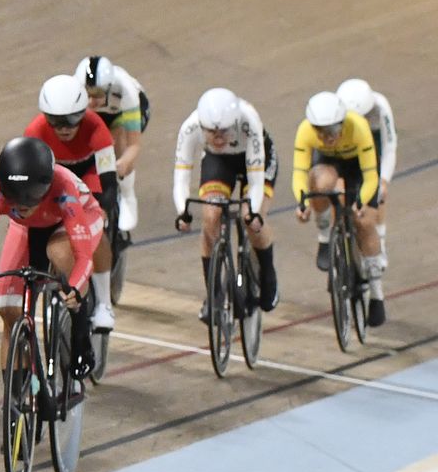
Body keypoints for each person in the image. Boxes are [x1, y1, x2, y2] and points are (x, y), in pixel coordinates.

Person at [0, 136, 102, 377]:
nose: (20, 205)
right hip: (28, 227)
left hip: (78, 217)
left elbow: (83, 257)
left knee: (58, 252)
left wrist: (77, 288)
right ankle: (18, 399)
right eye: (14, 201)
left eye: (28, 201)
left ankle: (81, 332)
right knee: (8, 308)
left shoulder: (63, 189)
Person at [172, 87, 279, 316]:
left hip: (257, 161)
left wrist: (254, 212)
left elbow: (257, 181)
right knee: (210, 218)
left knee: (250, 219)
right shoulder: (190, 127)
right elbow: (181, 177)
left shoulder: (249, 120)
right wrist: (183, 211)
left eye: (224, 131)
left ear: (235, 123)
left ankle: (268, 274)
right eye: (211, 132)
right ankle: (214, 294)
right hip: (219, 162)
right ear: (202, 126)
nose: (218, 138)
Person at [24, 75, 118, 332]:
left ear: (83, 113)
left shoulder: (97, 127)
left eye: (72, 120)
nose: (64, 128)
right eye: (55, 121)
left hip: (88, 174)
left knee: (95, 229)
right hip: (54, 177)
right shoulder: (35, 132)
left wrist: (104, 210)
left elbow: (109, 181)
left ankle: (104, 304)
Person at [295, 91, 385, 327]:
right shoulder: (305, 131)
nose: (327, 137)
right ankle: (325, 237)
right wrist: (302, 203)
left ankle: (376, 294)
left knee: (364, 221)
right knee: (319, 182)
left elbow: (370, 176)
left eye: (333, 131)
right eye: (321, 132)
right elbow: (300, 174)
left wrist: (360, 202)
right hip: (329, 162)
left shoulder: (359, 128)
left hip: (358, 166)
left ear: (342, 123)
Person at [75, 55, 150, 237]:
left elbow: (135, 145)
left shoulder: (126, 91)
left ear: (109, 88)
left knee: (118, 140)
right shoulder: (74, 88)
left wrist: (122, 163)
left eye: (98, 95)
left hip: (122, 114)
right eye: (88, 94)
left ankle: (127, 195)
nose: (92, 101)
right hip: (96, 117)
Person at [334, 78, 396, 267]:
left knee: (377, 190)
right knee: (338, 191)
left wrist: (384, 180)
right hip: (348, 145)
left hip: (372, 144)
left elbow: (389, 146)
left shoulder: (380, 106)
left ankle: (380, 239)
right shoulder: (335, 112)